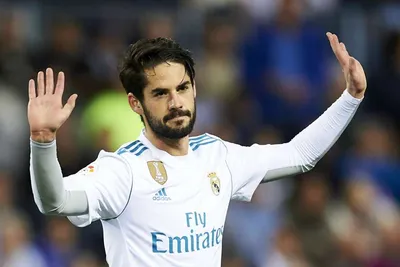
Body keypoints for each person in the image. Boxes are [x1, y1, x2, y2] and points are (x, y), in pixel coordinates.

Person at [28, 33, 366, 267]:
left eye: (182, 88)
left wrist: (351, 97)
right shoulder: (121, 170)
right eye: (160, 93)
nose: (176, 103)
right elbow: (53, 201)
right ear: (136, 103)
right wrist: (43, 141)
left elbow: (299, 155)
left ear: (194, 89)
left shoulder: (217, 156)